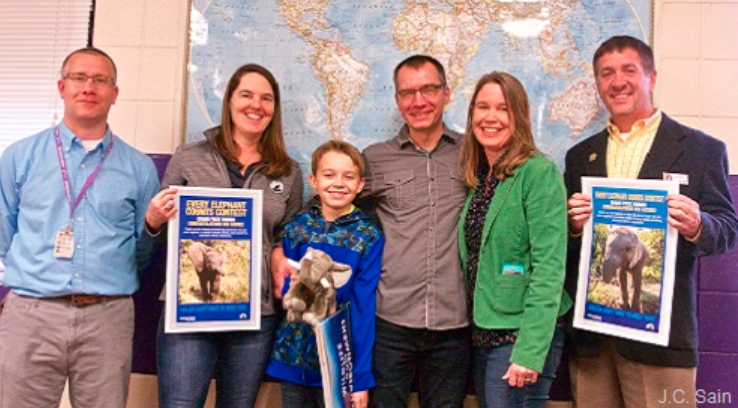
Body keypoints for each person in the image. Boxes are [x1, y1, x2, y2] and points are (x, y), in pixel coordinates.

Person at [565, 35, 738, 408]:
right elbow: (573, 247)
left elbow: (727, 230)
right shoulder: (580, 156)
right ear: (598, 84)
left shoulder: (701, 149)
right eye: (606, 73)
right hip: (594, 342)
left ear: (652, 77)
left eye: (630, 70)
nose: (618, 81)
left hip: (662, 344)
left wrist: (697, 225)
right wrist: (575, 228)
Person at [0, 47, 160, 408]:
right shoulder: (18, 157)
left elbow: (142, 250)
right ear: (61, 87)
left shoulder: (139, 168)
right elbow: (5, 235)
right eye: (79, 78)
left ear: (114, 93)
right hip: (32, 315)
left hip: (107, 318)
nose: (89, 87)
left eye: (100, 80)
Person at [144, 63, 304, 408]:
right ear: (229, 100)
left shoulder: (288, 171)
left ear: (274, 109)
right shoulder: (189, 156)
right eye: (246, 95)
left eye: (266, 98)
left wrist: (279, 254)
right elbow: (159, 233)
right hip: (189, 312)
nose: (255, 105)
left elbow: (285, 237)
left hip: (254, 315)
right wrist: (153, 220)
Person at [362, 55, 471, 408]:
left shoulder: (473, 153)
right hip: (391, 320)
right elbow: (335, 207)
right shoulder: (374, 159)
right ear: (397, 100)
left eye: (428, 89)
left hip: (455, 323)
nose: (418, 101)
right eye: (408, 92)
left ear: (446, 93)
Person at [457, 72, 571, 408]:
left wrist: (530, 352)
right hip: (485, 331)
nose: (490, 117)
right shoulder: (482, 177)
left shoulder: (539, 173)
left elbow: (549, 268)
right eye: (482, 107)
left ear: (518, 116)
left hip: (520, 337)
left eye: (502, 108)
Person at [266, 140, 384, 408]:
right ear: (314, 181)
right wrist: (292, 289)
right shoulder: (297, 228)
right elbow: (282, 284)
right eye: (329, 175)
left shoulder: (368, 236)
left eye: (348, 176)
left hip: (338, 363)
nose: (338, 183)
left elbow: (364, 308)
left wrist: (360, 377)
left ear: (360, 184)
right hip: (293, 358)